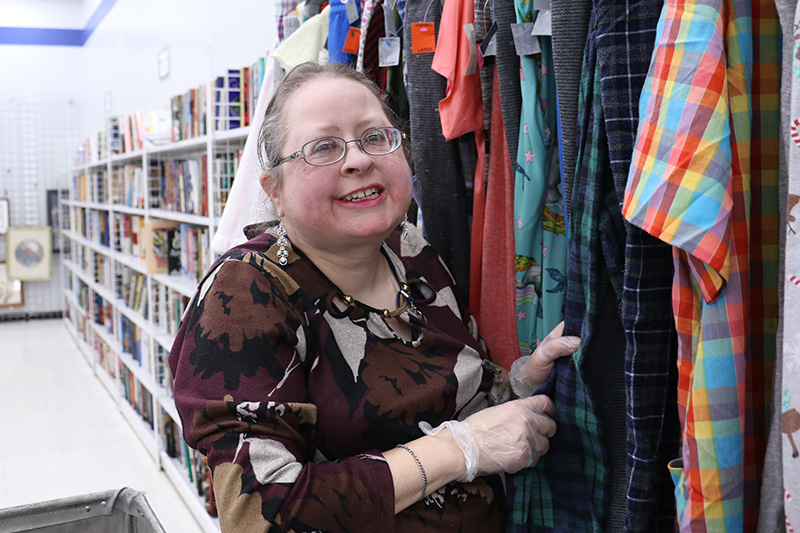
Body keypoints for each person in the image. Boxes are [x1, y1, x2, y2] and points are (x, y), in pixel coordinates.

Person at [169, 61, 580, 532]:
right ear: (275, 191)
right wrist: (456, 450)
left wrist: (518, 385)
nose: (358, 160)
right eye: (324, 147)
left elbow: (455, 399)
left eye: (374, 137)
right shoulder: (244, 294)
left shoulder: (410, 248)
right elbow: (261, 513)